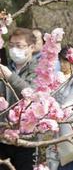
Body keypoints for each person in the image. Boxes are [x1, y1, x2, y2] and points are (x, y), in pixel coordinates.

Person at [0, 27, 38, 170]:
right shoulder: (5, 65)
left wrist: (10, 76)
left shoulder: (39, 68)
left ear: (31, 47)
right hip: (3, 137)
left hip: (26, 140)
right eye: (11, 45)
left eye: (19, 46)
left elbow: (32, 92)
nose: (14, 49)